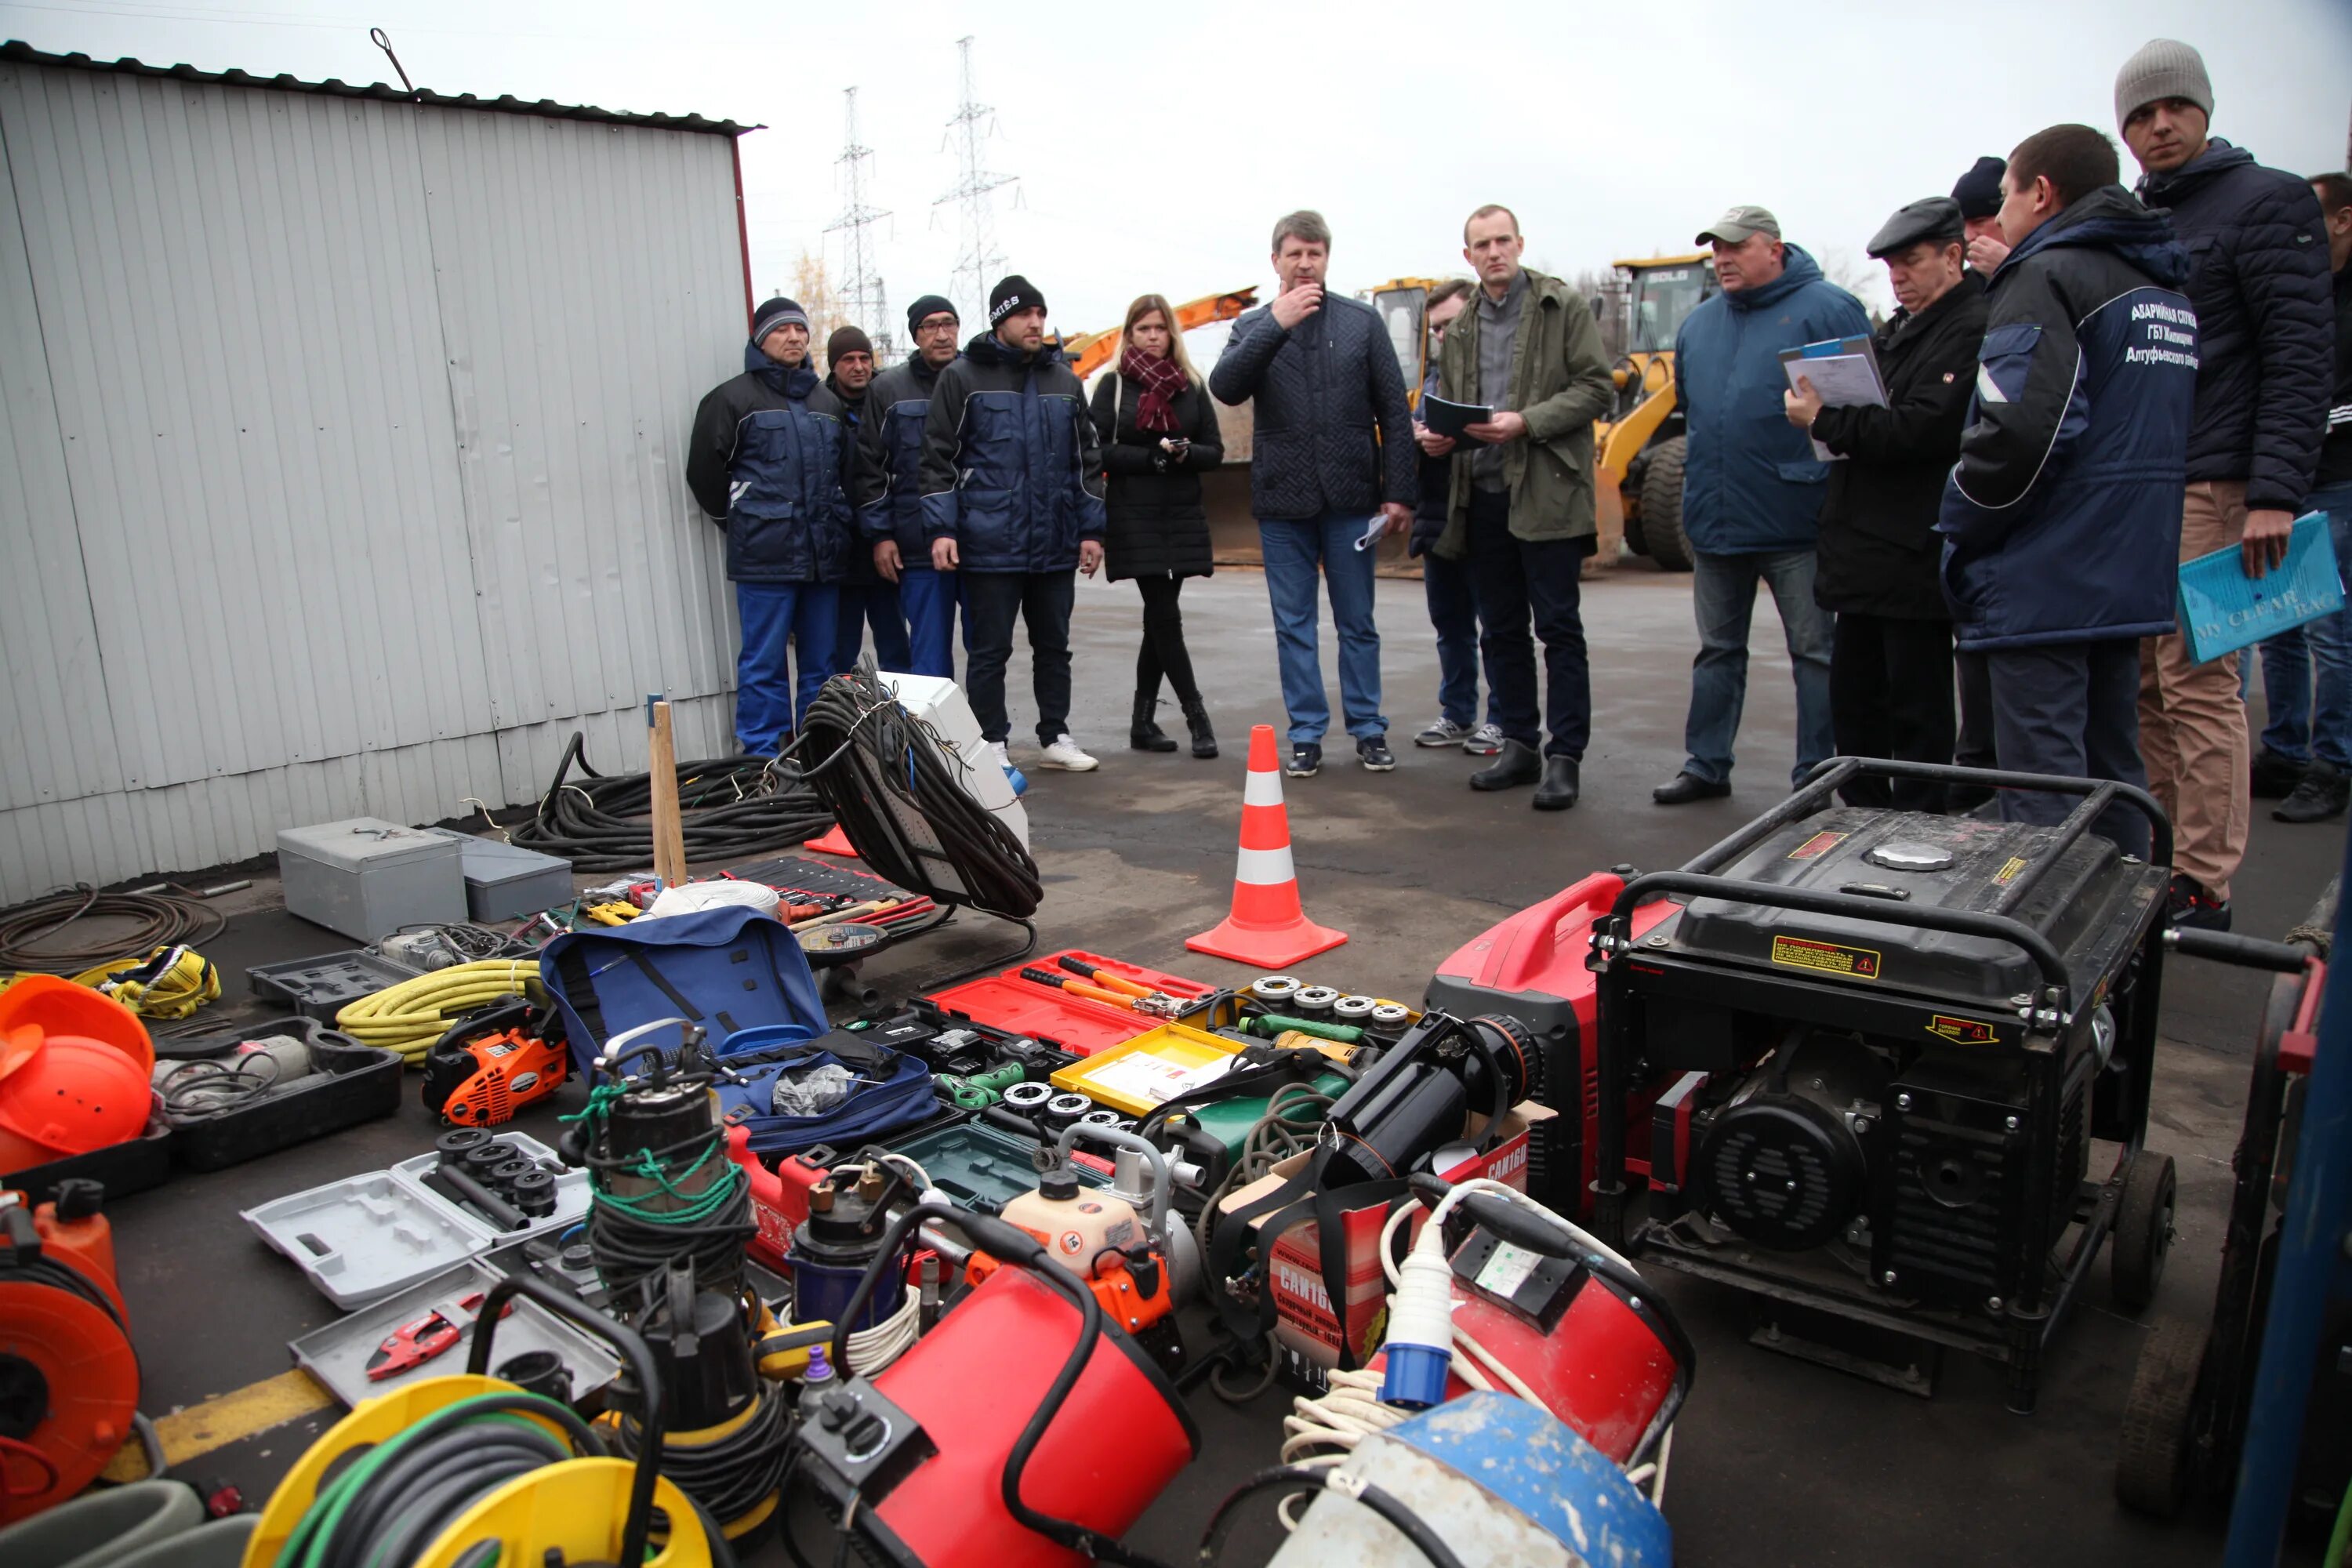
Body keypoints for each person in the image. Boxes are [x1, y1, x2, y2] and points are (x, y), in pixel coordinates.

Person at [2117, 38, 2332, 929]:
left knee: (2201, 680)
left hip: (2223, 485)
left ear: (2205, 110)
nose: (2160, 125)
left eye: (2176, 107)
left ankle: (2204, 884)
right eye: (2140, 113)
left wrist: (2274, 490)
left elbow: (2299, 354)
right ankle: (2162, 859)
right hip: (2146, 485)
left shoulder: (2268, 201)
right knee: (2144, 683)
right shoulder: (2139, 216)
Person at [1939, 124, 2197, 857]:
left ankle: (2048, 961)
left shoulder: (2044, 274)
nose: (2004, 214)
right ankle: (2124, 942)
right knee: (2113, 772)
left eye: (2008, 196)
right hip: (2124, 569)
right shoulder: (2160, 285)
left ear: (2041, 192)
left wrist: (1960, 512)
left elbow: (2023, 429)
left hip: (2046, 575)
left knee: (2043, 793)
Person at [1653, 205, 1871, 805]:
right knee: (1717, 651)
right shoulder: (1699, 326)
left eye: (1734, 247)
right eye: (1714, 250)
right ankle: (1706, 764)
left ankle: (1816, 776)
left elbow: (1863, 410)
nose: (1721, 258)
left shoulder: (1828, 308)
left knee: (1815, 652)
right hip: (1717, 517)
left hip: (1796, 515)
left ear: (1773, 249)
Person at [1786, 198, 1988, 815]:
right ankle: (1864, 818)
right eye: (1891, 265)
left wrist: (1825, 418)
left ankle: (1919, 827)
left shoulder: (1969, 325)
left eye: (1911, 261)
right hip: (1862, 550)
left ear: (1953, 257)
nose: (1898, 276)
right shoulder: (1899, 330)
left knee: (1916, 706)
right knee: (1858, 701)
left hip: (1911, 550)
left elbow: (1922, 429)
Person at [1210, 210, 1416, 779]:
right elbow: (1225, 387)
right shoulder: (1253, 325)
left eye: (1315, 254)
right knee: (1294, 623)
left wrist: (1399, 493)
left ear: (1328, 258)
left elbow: (1394, 413)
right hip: (1283, 501)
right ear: (1275, 259)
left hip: (1351, 497)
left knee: (1358, 622)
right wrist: (1275, 323)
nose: (1305, 263)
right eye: (1295, 253)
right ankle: (1306, 735)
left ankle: (1369, 729)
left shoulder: (1361, 322)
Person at [1426, 205, 1616, 810]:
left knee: (1558, 628)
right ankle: (1520, 744)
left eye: (1503, 240)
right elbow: (1454, 405)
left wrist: (1526, 423)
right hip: (1481, 494)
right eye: (1481, 244)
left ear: (1520, 243)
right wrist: (1441, 434)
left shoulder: (1562, 307)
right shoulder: (1459, 328)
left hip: (1547, 493)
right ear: (1468, 256)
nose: (1494, 252)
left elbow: (1595, 386)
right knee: (1501, 630)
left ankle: (1565, 756)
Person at [919, 275, 1107, 773]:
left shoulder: (1065, 382)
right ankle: (992, 744)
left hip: (1053, 541)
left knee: (1054, 647)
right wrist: (943, 528)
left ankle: (1055, 736)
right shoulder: (962, 378)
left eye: (1041, 315)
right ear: (1001, 321)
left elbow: (1086, 463)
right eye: (1026, 315)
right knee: (989, 650)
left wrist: (1091, 531)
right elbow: (938, 457)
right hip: (989, 541)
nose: (1036, 323)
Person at [686, 296, 850, 755]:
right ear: (760, 339)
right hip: (765, 558)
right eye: (781, 330)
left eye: (800, 329)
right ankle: (761, 755)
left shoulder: (827, 403)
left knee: (823, 664)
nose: (794, 337)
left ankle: (819, 752)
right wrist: (742, 523)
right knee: (764, 662)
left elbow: (845, 475)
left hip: (823, 560)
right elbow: (704, 474)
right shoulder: (731, 399)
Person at [1091, 292, 1225, 760]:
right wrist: (1152, 458)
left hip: (1182, 514)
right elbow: (1098, 450)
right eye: (1143, 328)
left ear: (1172, 333)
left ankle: (1141, 724)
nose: (1152, 336)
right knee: (1165, 613)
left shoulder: (1190, 384)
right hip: (1134, 513)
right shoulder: (1112, 385)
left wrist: (1185, 452)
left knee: (1158, 622)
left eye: (1160, 328)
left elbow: (1216, 450)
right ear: (1129, 334)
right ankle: (1197, 717)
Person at [2263, 172, 2352, 824]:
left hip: (2340, 479)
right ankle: (2284, 749)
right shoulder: (2300, 294)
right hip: (2288, 479)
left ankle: (2333, 764)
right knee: (2277, 628)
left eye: (2310, 219)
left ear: (2343, 220)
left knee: (2333, 632)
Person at [1409, 279, 1503, 757]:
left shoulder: (1499, 374)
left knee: (1499, 624)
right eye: (1437, 329)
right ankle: (1459, 713)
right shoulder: (1431, 383)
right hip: (1439, 514)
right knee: (1451, 623)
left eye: (1451, 324)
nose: (1443, 335)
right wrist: (1418, 436)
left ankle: (1503, 719)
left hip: (1487, 510)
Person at [858, 296, 965, 680]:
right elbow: (870, 469)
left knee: (988, 651)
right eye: (930, 326)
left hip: (980, 542)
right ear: (916, 336)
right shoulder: (888, 390)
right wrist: (881, 535)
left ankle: (987, 737)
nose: (942, 334)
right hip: (917, 544)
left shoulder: (977, 381)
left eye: (949, 323)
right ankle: (929, 740)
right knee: (929, 659)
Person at [1948, 156, 2009, 804]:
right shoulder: (1975, 295)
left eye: (1985, 220)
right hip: (1976, 506)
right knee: (1975, 650)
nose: (1974, 237)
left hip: (2020, 503)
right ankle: (1974, 773)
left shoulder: (2024, 285)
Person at [825, 326, 911, 675]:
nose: (858, 366)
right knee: (840, 650)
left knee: (895, 647)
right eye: (848, 359)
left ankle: (904, 722)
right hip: (842, 553)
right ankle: (842, 723)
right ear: (834, 365)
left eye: (864, 358)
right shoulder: (821, 407)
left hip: (887, 546)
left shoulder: (889, 401)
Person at [1955, 156, 2013, 276]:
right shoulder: (1964, 286)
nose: (1967, 236)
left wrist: (2008, 269)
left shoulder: (2053, 259)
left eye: (1979, 222)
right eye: (1961, 226)